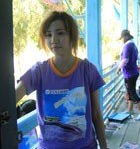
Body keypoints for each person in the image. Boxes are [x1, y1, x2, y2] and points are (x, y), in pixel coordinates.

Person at [15, 11, 107, 149]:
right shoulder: (39, 71)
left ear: (72, 36)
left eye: (60, 33)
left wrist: (104, 146)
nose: (54, 39)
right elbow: (10, 99)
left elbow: (96, 114)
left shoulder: (88, 70)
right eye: (48, 34)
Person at [116, 29, 140, 121]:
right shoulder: (133, 45)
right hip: (133, 71)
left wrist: (118, 68)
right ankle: (130, 110)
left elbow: (125, 59)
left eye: (122, 38)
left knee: (132, 93)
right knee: (129, 91)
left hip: (130, 73)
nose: (122, 40)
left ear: (125, 37)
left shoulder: (127, 46)